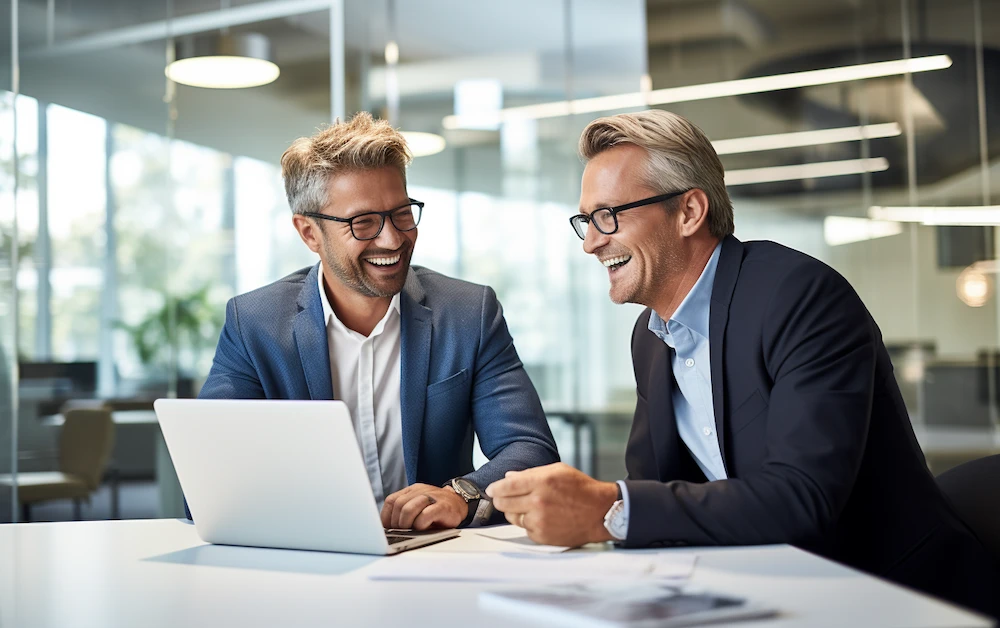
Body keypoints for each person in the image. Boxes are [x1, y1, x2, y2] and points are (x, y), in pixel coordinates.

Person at [486, 109, 999, 617]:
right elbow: (660, 490)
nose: (592, 242)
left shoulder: (797, 297)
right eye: (586, 221)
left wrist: (608, 509)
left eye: (609, 216)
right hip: (766, 593)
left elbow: (803, 497)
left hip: (894, 595)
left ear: (689, 212)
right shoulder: (651, 337)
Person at [200, 112, 558, 530]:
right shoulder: (255, 324)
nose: (392, 239)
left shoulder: (469, 313)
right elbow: (208, 479)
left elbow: (530, 449)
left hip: (433, 557)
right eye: (363, 222)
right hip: (309, 557)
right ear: (309, 233)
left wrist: (460, 495)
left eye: (402, 214)